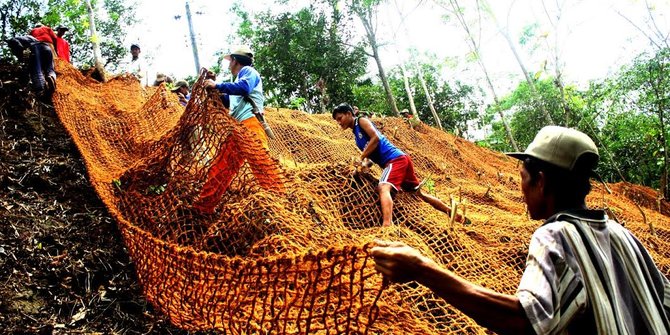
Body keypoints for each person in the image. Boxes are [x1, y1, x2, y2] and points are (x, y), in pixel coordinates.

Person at [371, 126, 670, 335]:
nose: (522, 188)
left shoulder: (555, 235)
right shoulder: (623, 235)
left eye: (523, 178)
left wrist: (423, 270)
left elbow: (526, 322)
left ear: (540, 181)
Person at [332, 103, 462, 227]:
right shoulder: (357, 139)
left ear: (349, 114)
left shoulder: (361, 121)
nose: (339, 122)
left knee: (383, 187)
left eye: (340, 118)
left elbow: (376, 138)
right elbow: (371, 157)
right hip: (400, 160)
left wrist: (361, 157)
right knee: (418, 194)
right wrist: (364, 165)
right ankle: (452, 213)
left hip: (395, 160)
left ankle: (387, 226)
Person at [204, 45, 268, 148]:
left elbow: (244, 88)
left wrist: (217, 85)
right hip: (238, 127)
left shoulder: (248, 71)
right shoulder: (238, 81)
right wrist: (212, 90)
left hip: (250, 122)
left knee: (263, 163)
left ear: (235, 61)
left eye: (230, 62)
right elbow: (226, 101)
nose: (229, 66)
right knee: (224, 163)